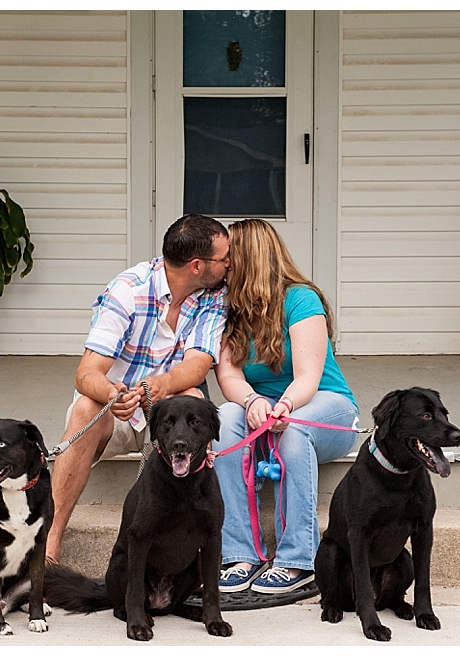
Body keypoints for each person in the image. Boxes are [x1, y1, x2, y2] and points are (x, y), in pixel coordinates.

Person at [45, 214, 230, 565]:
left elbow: (199, 362)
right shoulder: (129, 289)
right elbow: (86, 373)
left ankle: (188, 549)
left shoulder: (213, 296)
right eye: (224, 259)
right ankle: (49, 544)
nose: (229, 264)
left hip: (169, 417)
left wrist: (160, 386)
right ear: (196, 266)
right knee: (86, 406)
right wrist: (112, 394)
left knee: (193, 400)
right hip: (121, 411)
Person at [213, 219, 359, 595]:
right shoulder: (225, 308)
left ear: (249, 259)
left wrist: (285, 406)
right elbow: (228, 376)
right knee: (224, 416)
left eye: (229, 257)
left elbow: (309, 377)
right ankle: (239, 554)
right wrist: (251, 401)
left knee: (292, 429)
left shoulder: (300, 298)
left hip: (323, 406)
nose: (223, 265)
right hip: (263, 411)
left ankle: (296, 560)